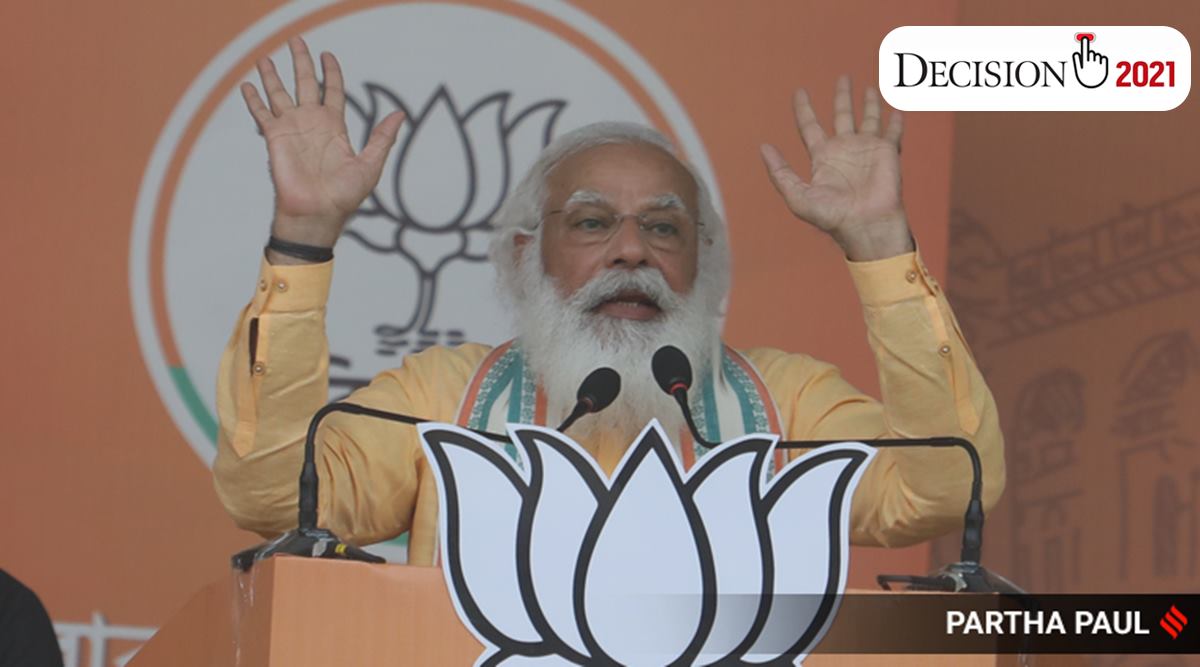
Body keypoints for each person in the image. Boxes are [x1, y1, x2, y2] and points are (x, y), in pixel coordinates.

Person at [214, 37, 1004, 566]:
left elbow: (947, 487)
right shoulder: (443, 398)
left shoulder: (783, 403)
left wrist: (879, 247)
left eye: (664, 227)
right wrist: (305, 236)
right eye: (592, 222)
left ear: (705, 262)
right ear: (526, 253)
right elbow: (275, 492)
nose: (633, 251)